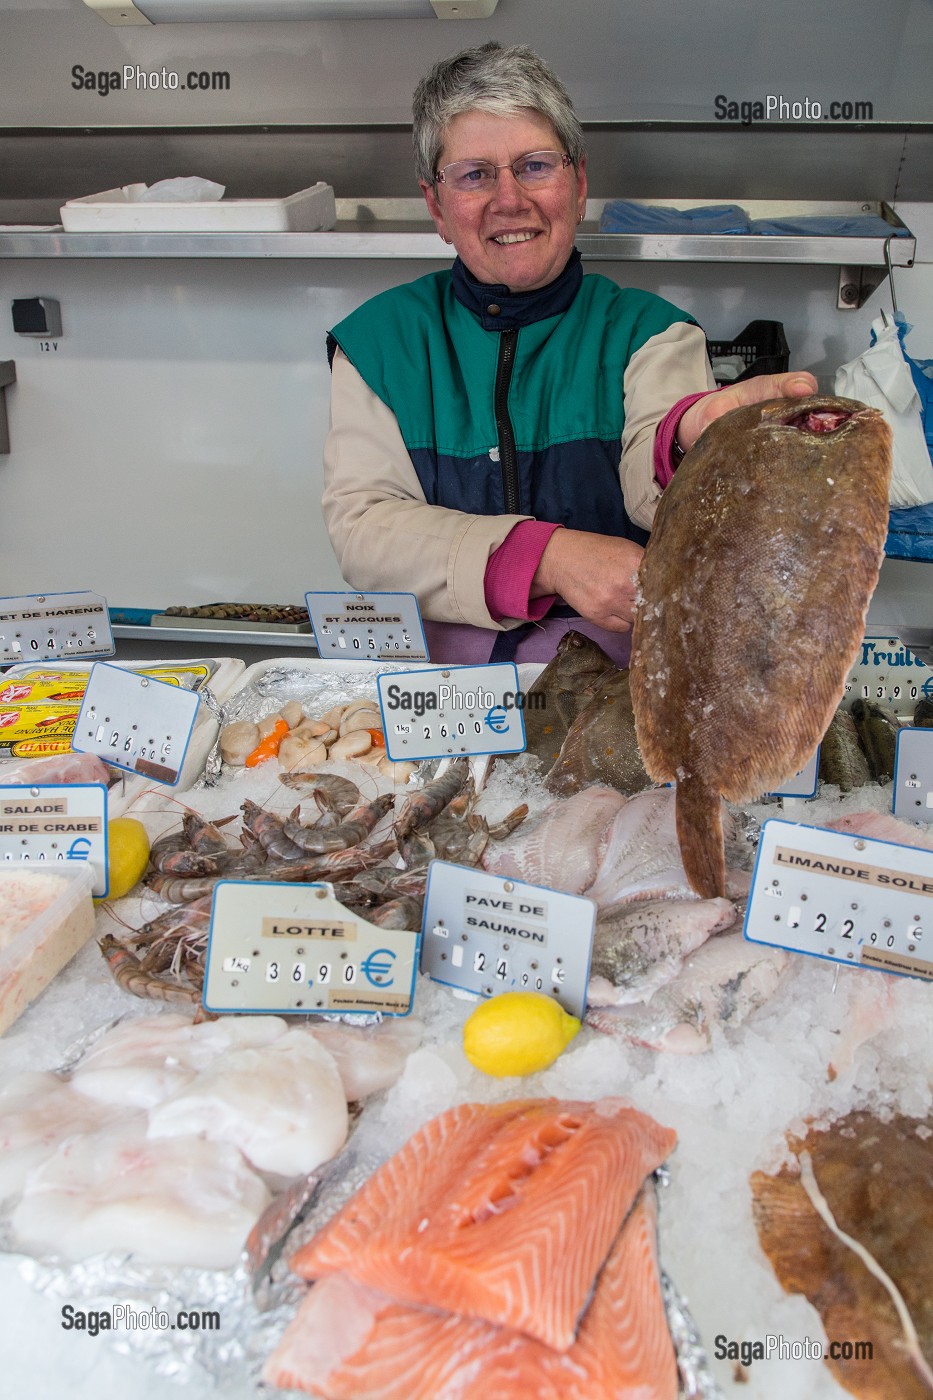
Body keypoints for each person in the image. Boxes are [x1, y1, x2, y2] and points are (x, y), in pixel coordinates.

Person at [321, 41, 816, 665]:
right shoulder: (379, 343)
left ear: (578, 186)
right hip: (439, 694)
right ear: (436, 207)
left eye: (534, 165)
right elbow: (365, 531)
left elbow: (654, 481)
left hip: (616, 689)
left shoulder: (653, 333)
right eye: (475, 174)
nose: (509, 199)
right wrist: (548, 556)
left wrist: (691, 443)